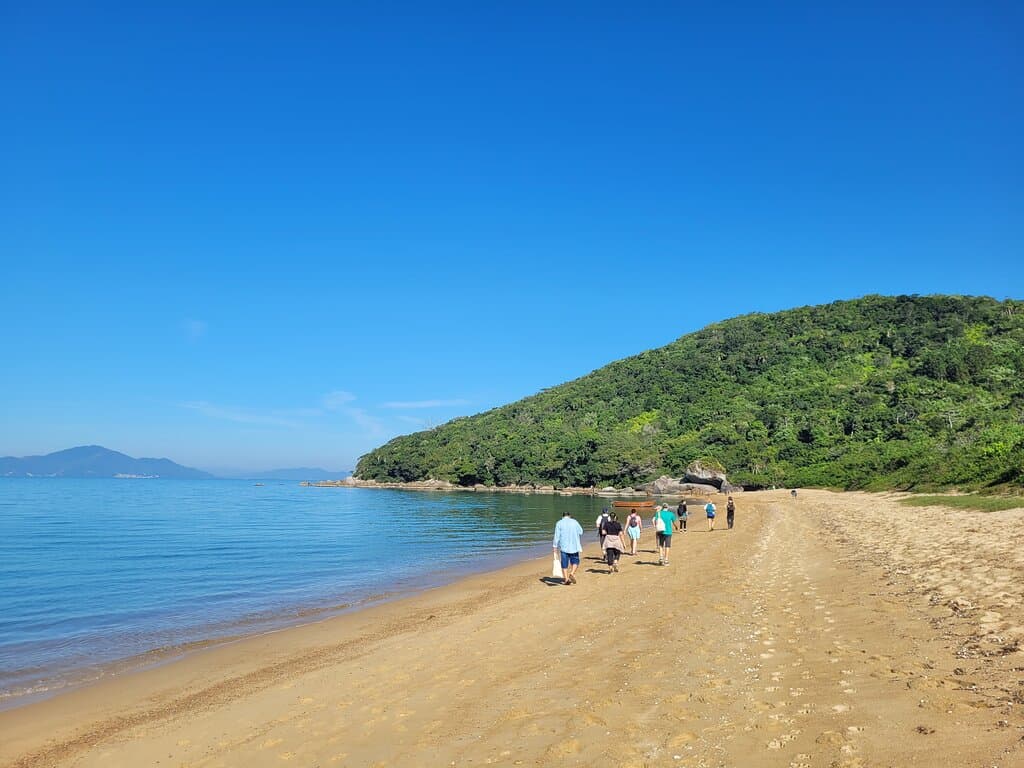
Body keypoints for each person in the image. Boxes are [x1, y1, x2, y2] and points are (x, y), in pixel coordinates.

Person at [552, 511, 584, 585]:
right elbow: (581, 532)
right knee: (575, 561)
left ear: (562, 516)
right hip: (574, 546)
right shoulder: (575, 522)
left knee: (564, 563)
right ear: (569, 516)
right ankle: (572, 573)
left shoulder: (559, 523)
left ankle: (566, 579)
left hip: (564, 546)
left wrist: (554, 547)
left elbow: (556, 536)